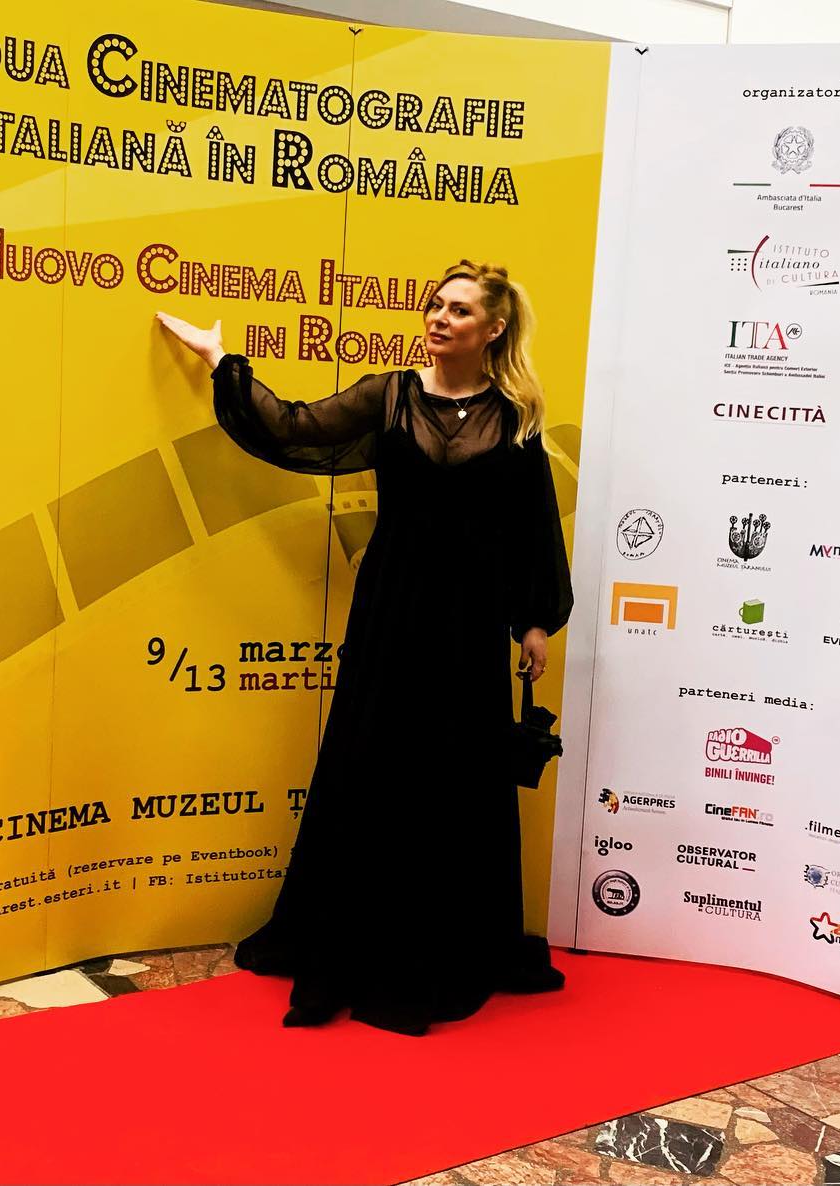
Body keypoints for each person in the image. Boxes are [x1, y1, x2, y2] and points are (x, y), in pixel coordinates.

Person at [155, 259, 573, 1037]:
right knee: (371, 763)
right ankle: (349, 941)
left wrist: (535, 622)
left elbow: (531, 529)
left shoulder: (516, 418)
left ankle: (440, 943)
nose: (438, 318)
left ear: (493, 327)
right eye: (435, 305)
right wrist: (221, 359)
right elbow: (293, 428)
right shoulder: (390, 396)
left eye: (458, 310)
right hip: (391, 613)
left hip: (470, 623)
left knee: (453, 776)